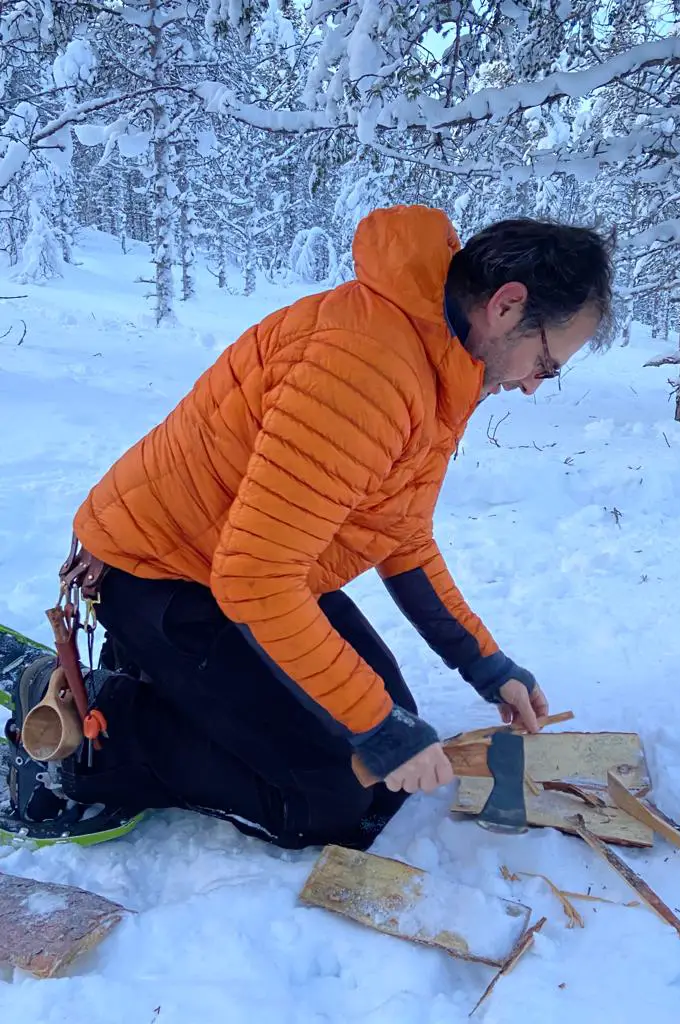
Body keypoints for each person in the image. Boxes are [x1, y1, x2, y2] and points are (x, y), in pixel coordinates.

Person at [4, 204, 613, 850]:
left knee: (387, 745)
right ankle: (94, 734)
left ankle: (178, 685)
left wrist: (486, 666)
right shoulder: (370, 367)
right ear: (508, 305)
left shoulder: (437, 361)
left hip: (239, 562)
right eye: (546, 365)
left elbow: (401, 534)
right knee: (330, 799)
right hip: (158, 574)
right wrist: (374, 726)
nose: (533, 388)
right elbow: (255, 579)